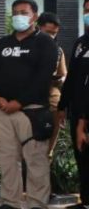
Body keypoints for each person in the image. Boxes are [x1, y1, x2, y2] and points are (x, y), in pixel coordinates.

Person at [0, 0, 58, 209]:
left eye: (24, 12)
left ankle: (37, 204)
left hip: (32, 110)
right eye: (15, 12)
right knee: (7, 158)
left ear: (34, 16)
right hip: (2, 110)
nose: (19, 16)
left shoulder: (45, 43)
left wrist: (20, 102)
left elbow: (43, 77)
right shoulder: (2, 43)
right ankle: (11, 201)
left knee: (36, 159)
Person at [59, 0, 89, 209]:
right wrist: (62, 105)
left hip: (86, 114)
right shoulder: (80, 43)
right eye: (86, 10)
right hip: (77, 109)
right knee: (82, 156)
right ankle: (85, 199)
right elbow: (71, 78)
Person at [36, 12, 67, 158]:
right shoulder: (27, 48)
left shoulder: (58, 51)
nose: (51, 37)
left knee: (48, 147)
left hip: (52, 101)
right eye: (47, 32)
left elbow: (63, 74)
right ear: (38, 28)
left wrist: (60, 79)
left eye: (54, 34)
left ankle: (47, 157)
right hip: (29, 102)